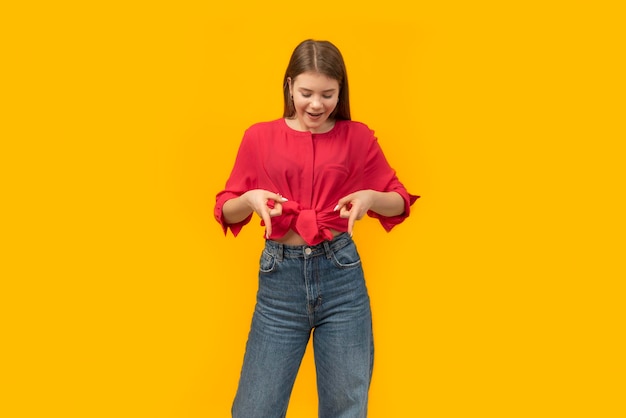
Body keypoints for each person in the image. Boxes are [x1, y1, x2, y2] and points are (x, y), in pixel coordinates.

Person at [214, 39, 419, 418]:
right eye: (306, 92)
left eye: (328, 94)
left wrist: (371, 198)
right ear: (289, 85)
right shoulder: (258, 137)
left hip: (341, 279)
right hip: (280, 283)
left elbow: (399, 200)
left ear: (340, 91)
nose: (316, 104)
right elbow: (226, 210)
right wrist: (252, 199)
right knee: (254, 409)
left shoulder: (357, 137)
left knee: (346, 407)